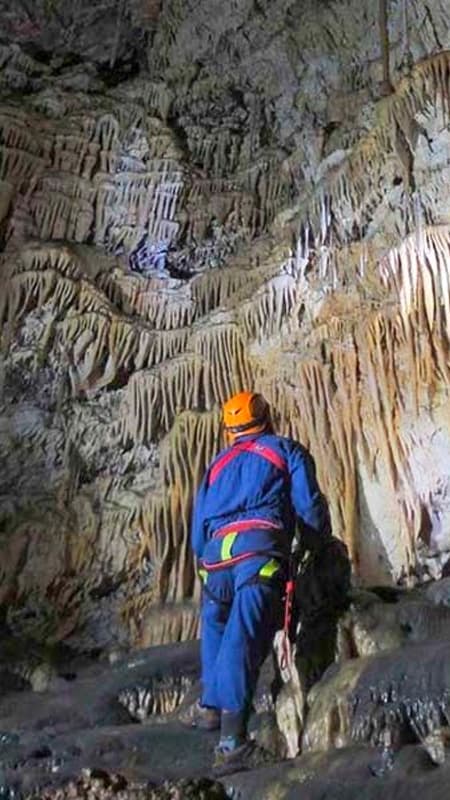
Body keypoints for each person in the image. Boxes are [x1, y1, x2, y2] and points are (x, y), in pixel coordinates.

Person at [189, 390, 331, 770]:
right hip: (257, 555)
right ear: (267, 418)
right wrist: (319, 547)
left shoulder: (216, 464)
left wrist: (204, 565)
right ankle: (231, 744)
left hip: (215, 560)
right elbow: (309, 505)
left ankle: (209, 709)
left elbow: (197, 528)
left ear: (229, 431)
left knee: (217, 625)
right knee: (243, 637)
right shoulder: (284, 450)